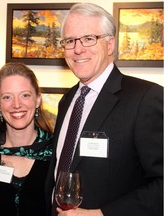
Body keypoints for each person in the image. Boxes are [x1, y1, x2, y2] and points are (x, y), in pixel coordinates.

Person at [45, 3, 163, 216]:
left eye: (89, 38)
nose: (78, 49)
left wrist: (101, 214)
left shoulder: (145, 98)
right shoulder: (68, 100)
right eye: (70, 41)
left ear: (110, 44)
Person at [0, 62, 53, 216]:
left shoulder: (57, 153)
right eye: (7, 97)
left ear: (38, 100)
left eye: (25, 95)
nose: (17, 105)